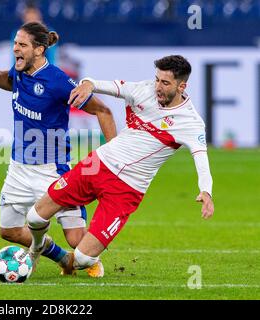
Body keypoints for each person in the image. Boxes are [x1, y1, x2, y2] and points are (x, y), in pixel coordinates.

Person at [26, 55, 215, 275]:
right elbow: (102, 84)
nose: (158, 87)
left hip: (127, 189)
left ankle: (65, 256)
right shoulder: (143, 90)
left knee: (83, 258)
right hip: (97, 165)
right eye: (157, 80)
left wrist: (206, 191)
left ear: (182, 86)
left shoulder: (190, 122)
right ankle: (36, 248)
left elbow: (201, 159)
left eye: (165, 83)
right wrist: (88, 84)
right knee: (34, 217)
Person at [0, 22, 117, 277]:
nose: (15, 49)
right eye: (15, 43)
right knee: (9, 231)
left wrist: (113, 156)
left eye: (22, 45)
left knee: (77, 241)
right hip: (18, 169)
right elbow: (9, 82)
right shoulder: (20, 70)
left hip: (52, 171)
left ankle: (85, 257)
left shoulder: (58, 81)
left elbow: (103, 110)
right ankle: (62, 259)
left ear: (39, 50)